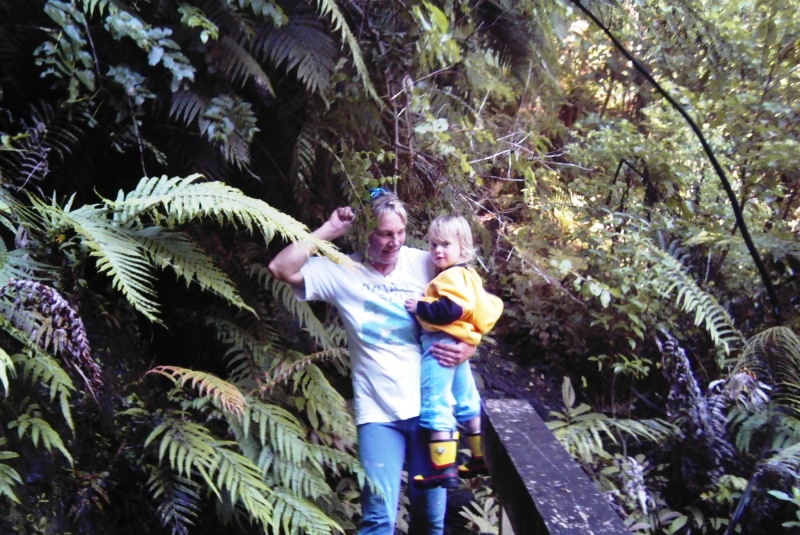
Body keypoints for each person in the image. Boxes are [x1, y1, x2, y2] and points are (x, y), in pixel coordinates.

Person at [267, 189, 476, 535]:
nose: (394, 242)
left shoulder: (425, 262)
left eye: (400, 233)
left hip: (431, 412)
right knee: (378, 519)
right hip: (378, 415)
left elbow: (474, 301)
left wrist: (470, 343)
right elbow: (280, 267)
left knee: (430, 522)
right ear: (366, 233)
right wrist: (329, 230)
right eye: (384, 233)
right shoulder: (342, 271)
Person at [404, 215, 503, 489]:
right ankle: (480, 456)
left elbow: (452, 310)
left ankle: (442, 467)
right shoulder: (470, 276)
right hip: (458, 345)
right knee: (466, 399)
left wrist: (420, 306)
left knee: (436, 400)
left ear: (463, 247)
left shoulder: (450, 276)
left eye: (445, 244)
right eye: (433, 244)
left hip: (440, 344)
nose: (437, 250)